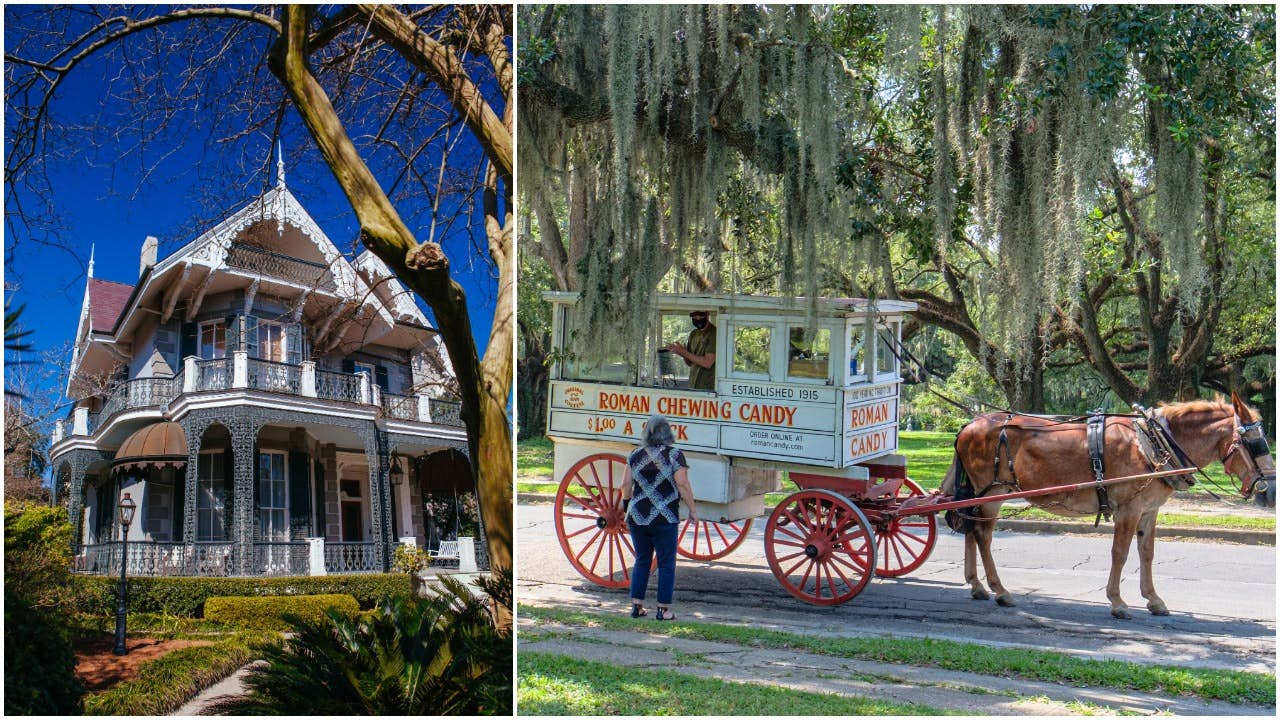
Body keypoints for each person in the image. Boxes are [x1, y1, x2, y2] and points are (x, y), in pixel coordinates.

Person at [621, 414, 698, 621]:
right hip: (665, 517)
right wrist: (692, 509)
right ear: (669, 433)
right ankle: (663, 610)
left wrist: (627, 505)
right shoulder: (675, 455)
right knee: (666, 563)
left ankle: (637, 606)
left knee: (642, 560)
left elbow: (625, 485)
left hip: (638, 517)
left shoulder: (635, 455)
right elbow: (682, 483)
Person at [666, 310, 716, 391]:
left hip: (708, 389)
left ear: (707, 314)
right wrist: (680, 352)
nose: (698, 318)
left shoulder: (714, 333)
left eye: (701, 315)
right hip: (693, 386)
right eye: (694, 316)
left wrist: (684, 352)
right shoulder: (694, 334)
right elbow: (690, 363)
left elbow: (708, 362)